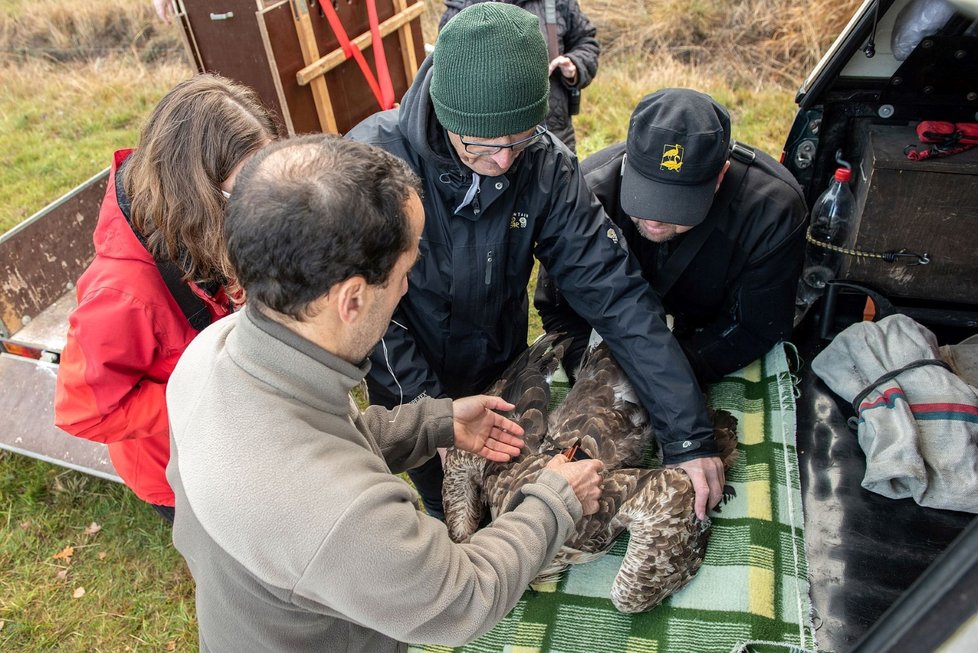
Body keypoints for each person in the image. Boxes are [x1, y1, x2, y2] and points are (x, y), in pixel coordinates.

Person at [164, 134, 605, 652]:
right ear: (351, 298)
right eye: (405, 271)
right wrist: (554, 500)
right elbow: (460, 598)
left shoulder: (209, 356)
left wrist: (433, 423)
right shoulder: (339, 515)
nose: (407, 287)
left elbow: (319, 442)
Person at [346, 2, 723, 523]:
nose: (503, 161)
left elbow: (615, 293)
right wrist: (434, 421)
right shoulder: (373, 169)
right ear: (446, 113)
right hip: (409, 385)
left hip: (502, 368)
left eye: (519, 140)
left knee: (510, 507)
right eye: (482, 145)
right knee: (451, 509)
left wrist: (687, 432)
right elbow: (371, 321)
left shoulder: (545, 166)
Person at [54, 74, 278, 522]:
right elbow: (81, 412)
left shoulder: (201, 225)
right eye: (244, 188)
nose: (259, 200)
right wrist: (210, 391)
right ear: (196, 190)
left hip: (232, 441)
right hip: (183, 477)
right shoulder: (122, 295)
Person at [536, 88, 807, 384]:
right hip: (610, 340)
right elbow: (558, 306)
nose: (653, 218)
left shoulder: (772, 213)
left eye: (676, 205)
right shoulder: (589, 193)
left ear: (720, 177)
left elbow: (757, 327)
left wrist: (674, 374)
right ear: (628, 161)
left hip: (708, 333)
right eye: (645, 197)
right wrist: (596, 372)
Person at [438, 0, 599, 152]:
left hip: (554, 131)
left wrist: (575, 64)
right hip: (486, 147)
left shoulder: (556, 3)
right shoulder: (459, 10)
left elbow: (585, 41)